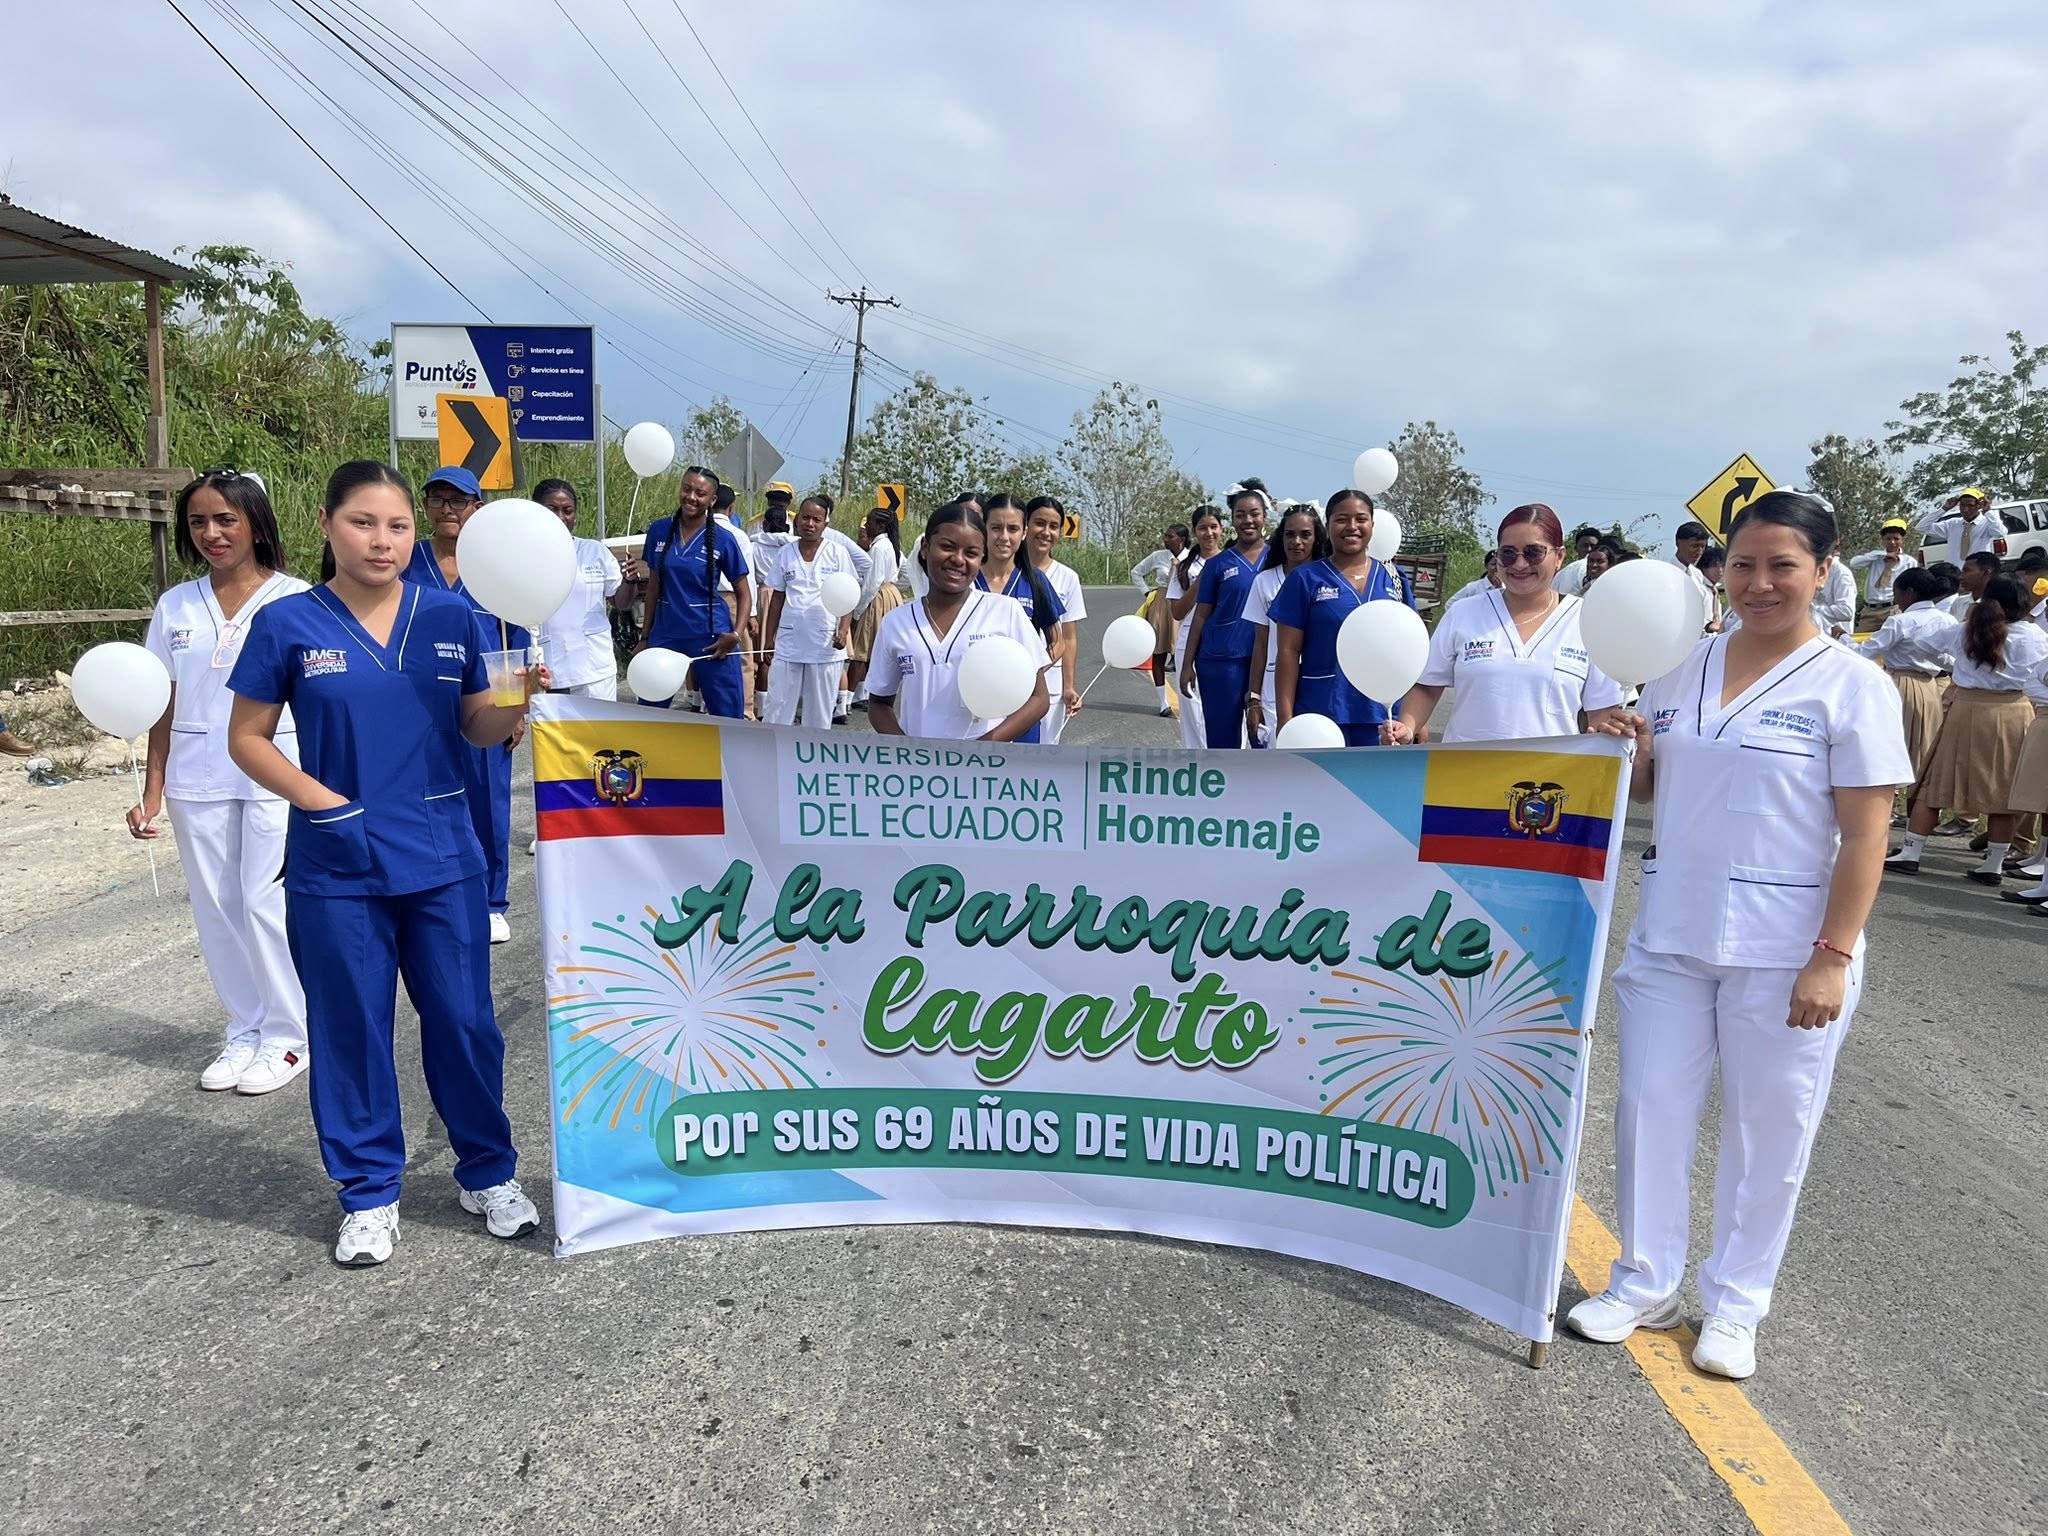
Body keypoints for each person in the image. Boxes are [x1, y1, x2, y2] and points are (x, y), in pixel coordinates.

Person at [1566, 490, 1910, 1380]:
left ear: (1823, 571)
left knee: (1768, 1134)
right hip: (1672, 935)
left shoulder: (1852, 687)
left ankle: (1736, 1305)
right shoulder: (1681, 666)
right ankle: (1645, 1283)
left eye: (1781, 566)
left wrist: (1832, 956)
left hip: (1787, 950)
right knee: (1648, 1109)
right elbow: (1652, 787)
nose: (1759, 584)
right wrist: (1618, 741)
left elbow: (1866, 835)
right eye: (1744, 565)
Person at [226, 460, 544, 1267]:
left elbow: (479, 728)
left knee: (466, 1023)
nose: (383, 540)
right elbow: (247, 738)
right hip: (338, 866)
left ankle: (488, 1171)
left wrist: (517, 694)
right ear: (327, 524)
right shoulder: (288, 623)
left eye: (397, 526)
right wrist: (322, 802)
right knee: (351, 1029)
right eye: (363, 522)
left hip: (443, 857)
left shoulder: (453, 618)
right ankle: (369, 1192)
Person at [129, 466, 311, 1094]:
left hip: (277, 769)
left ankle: (289, 1035)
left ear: (255, 523)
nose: (212, 533)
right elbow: (160, 699)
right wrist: (152, 789)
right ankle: (245, 1028)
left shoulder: (296, 599)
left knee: (265, 902)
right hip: (196, 773)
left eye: (226, 519)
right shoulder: (175, 605)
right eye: (198, 521)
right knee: (217, 908)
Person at [1388, 504, 1624, 745]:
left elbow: (1602, 709)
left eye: (1534, 552)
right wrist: (1407, 725)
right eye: (1508, 553)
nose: (1520, 564)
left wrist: (1610, 732)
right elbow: (1428, 686)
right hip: (1464, 765)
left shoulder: (1586, 621)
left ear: (1559, 557)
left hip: (1550, 768)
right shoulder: (1464, 613)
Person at [405, 467, 522, 945]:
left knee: (488, 802)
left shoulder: (495, 564)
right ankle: (426, 891)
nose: (447, 509)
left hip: (484, 703)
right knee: (419, 799)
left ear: (477, 507)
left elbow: (512, 639)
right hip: (415, 704)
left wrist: (515, 709)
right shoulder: (407, 561)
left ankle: (491, 901)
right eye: (438, 499)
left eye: (459, 500)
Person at [1885, 577, 2048, 885]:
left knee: (1936, 784)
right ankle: (1993, 865)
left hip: (1966, 707)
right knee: (2002, 792)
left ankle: (1911, 852)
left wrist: (1957, 660)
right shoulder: (2035, 636)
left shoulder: (1968, 629)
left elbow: (1925, 643)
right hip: (2013, 711)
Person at [866, 501, 1049, 742]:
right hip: (921, 763)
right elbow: (879, 703)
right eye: (947, 547)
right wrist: (908, 751)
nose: (958, 559)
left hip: (983, 762)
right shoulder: (896, 622)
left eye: (971, 553)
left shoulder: (1005, 612)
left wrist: (983, 748)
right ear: (925, 547)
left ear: (982, 557)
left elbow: (1039, 698)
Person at [1270, 489, 1415, 745]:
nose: (1352, 527)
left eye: (1361, 519)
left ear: (1372, 525)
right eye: (1341, 519)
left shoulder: (1394, 578)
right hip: (1321, 713)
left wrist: (1412, 721)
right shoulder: (1305, 579)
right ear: (1327, 526)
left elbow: (1410, 652)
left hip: (1382, 720)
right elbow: (1288, 652)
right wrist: (1285, 718)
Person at [636, 465, 753, 718]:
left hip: (711, 637)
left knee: (727, 714)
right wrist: (645, 637)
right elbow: (653, 586)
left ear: (712, 500)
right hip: (666, 633)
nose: (691, 497)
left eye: (700, 493)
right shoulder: (659, 530)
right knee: (650, 709)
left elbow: (744, 592)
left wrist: (735, 634)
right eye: (686, 489)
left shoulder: (723, 538)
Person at [1182, 484, 1273, 749]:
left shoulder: (1279, 560)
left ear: (1265, 517)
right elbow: (1200, 616)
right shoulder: (1217, 564)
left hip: (1267, 662)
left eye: (1254, 514)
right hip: (1221, 662)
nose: (1248, 520)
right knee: (1223, 743)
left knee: (1264, 737)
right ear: (1232, 520)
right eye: (1240, 515)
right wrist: (1187, 664)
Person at [757, 494, 859, 727]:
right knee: (778, 707)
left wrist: (843, 630)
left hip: (824, 644)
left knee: (819, 712)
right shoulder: (786, 553)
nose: (810, 524)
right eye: (805, 518)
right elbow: (777, 599)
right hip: (789, 643)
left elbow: (849, 594)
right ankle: (776, 747)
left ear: (825, 523)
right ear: (796, 519)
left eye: (816, 519)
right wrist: (769, 639)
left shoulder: (837, 553)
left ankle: (813, 750)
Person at [1853, 566, 1956, 789]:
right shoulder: (1946, 620)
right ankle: (1918, 793)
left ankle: (1891, 792)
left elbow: (1866, 651)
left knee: (1893, 742)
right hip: (1931, 685)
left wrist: (1843, 640)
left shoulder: (1900, 621)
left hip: (1901, 683)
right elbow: (1953, 659)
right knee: (1924, 742)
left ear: (1909, 593)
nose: (1895, 599)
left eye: (1896, 593)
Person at [973, 494, 1064, 744]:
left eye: (1012, 529)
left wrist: (1029, 673)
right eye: (996, 528)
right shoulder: (966, 579)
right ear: (984, 529)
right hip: (974, 700)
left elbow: (1058, 641)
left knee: (1020, 765)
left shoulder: (1034, 580)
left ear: (1023, 532)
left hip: (1022, 705)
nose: (1004, 537)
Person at [1243, 503, 1328, 747]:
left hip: (1318, 683)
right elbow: (1260, 644)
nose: (1296, 542)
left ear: (1317, 538)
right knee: (1278, 754)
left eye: (1305, 535)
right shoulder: (1264, 581)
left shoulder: (1328, 579)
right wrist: (1254, 698)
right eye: (1290, 535)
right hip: (1274, 686)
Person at [533, 479, 622, 702]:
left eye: (567, 510)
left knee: (601, 726)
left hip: (595, 670)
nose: (560, 517)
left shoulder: (594, 551)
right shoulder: (523, 555)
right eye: (552, 509)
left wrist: (630, 581)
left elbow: (620, 600)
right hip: (548, 669)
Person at [1025, 496, 1088, 744]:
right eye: (1039, 523)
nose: (1046, 532)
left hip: (1049, 684)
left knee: (1045, 753)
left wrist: (1068, 687)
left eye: (1053, 526)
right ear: (1025, 525)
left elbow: (1068, 638)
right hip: (1005, 679)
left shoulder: (1068, 578)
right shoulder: (1006, 571)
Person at [1168, 508, 1224, 749]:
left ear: (1222, 529)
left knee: (1224, 705)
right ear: (1194, 531)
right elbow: (1177, 612)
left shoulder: (1232, 561)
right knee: (1191, 705)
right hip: (1190, 641)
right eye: (1202, 528)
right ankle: (1196, 760)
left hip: (1224, 641)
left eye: (1213, 527)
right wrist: (1202, 581)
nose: (1209, 533)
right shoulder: (1184, 567)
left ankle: (1228, 760)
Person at [848, 506, 905, 709]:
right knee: (873, 648)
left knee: (861, 649)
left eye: (870, 522)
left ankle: (844, 700)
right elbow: (905, 571)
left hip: (877, 597)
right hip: (890, 594)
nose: (866, 526)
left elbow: (872, 583)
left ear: (880, 526)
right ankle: (861, 694)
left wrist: (857, 610)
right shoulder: (890, 545)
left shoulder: (879, 548)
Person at [1132, 523, 1190, 716]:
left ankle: (1187, 701)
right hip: (1161, 604)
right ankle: (1163, 702)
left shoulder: (1192, 557)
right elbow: (1136, 572)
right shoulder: (1158, 556)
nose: (1165, 539)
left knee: (1183, 652)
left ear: (1181, 540)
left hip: (1183, 603)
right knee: (1158, 653)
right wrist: (1147, 592)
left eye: (1170, 536)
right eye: (1165, 535)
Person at [1848, 518, 1919, 629]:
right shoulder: (1875, 558)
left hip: (1893, 609)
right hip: (1870, 611)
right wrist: (1880, 554)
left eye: (1896, 538)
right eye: (1888, 539)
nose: (1892, 542)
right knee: (1862, 638)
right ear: (1883, 540)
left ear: (1902, 540)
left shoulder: (1909, 562)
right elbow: (1854, 563)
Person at [1916, 487, 2006, 569]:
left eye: (1970, 505)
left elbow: (2000, 533)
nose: (1965, 510)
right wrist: (1944, 509)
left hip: (1977, 572)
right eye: (1962, 505)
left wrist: (1988, 511)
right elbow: (1921, 527)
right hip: (1954, 573)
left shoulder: (1987, 523)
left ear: (1979, 505)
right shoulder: (1952, 524)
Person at [1553, 525, 1605, 595]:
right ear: (1576, 548)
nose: (1589, 549)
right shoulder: (1562, 573)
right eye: (1585, 546)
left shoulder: (1560, 574)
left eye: (1593, 546)